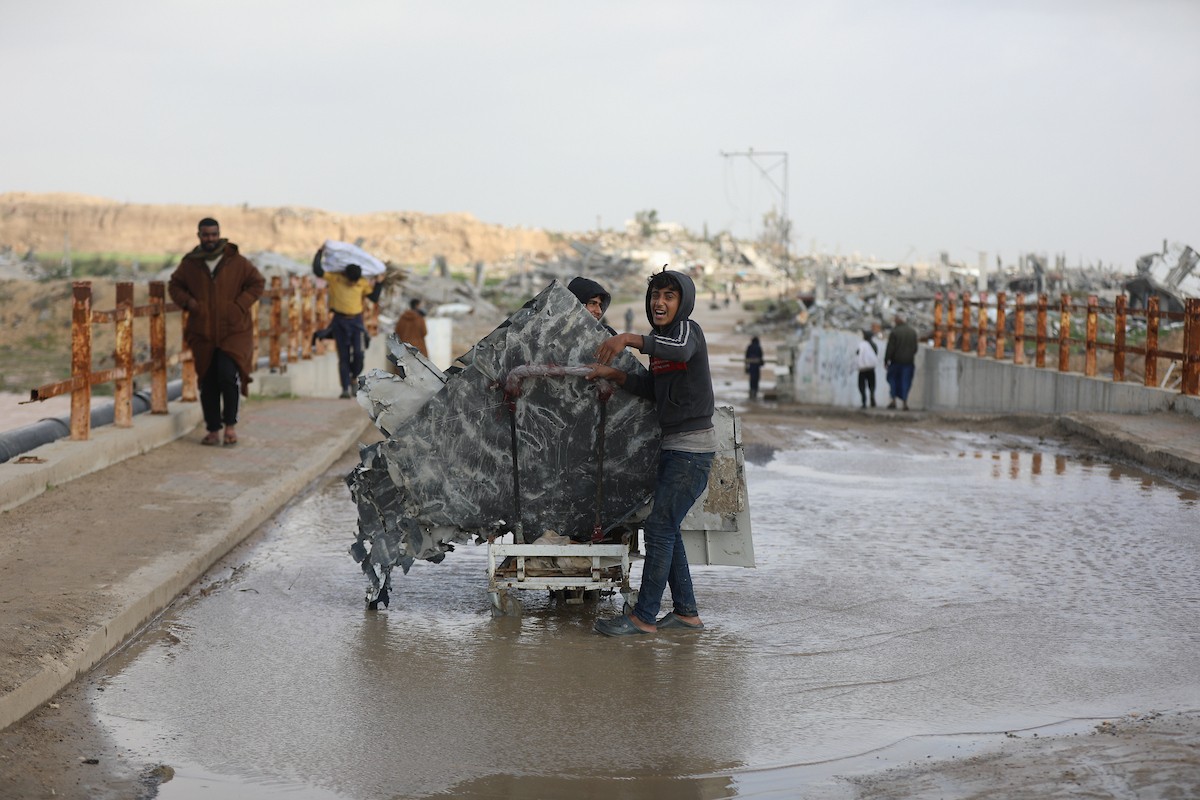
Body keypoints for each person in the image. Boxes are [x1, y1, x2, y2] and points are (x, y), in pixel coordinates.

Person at [587, 268, 715, 637]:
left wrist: (628, 338)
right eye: (655, 296)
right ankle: (686, 614)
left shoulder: (687, 332)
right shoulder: (660, 342)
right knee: (667, 529)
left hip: (691, 451)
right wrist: (613, 375)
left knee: (659, 528)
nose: (659, 303)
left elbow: (682, 350)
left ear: (683, 303)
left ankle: (644, 618)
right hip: (674, 447)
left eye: (669, 297)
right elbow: (652, 388)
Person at [168, 218, 265, 446]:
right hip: (203, 333)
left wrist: (238, 305)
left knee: (227, 376)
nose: (210, 239)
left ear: (219, 234)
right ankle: (213, 430)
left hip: (234, 331)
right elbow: (174, 285)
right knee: (208, 381)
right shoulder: (191, 263)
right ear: (199, 235)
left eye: (213, 234)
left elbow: (257, 283)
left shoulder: (237, 262)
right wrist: (191, 304)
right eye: (205, 235)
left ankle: (230, 426)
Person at [312, 249, 383, 398]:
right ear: (345, 275)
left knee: (359, 354)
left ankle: (353, 378)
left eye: (356, 281)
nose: (353, 283)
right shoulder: (335, 278)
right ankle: (345, 389)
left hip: (357, 322)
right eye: (351, 280)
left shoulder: (362, 282)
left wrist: (379, 283)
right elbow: (318, 270)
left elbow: (374, 298)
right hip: (339, 321)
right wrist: (319, 253)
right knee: (343, 357)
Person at [884, 314, 919, 410]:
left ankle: (893, 401)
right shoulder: (912, 332)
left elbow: (890, 348)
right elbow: (915, 349)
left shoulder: (895, 332)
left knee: (893, 380)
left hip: (895, 362)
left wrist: (886, 360)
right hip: (908, 362)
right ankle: (905, 402)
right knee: (906, 381)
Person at [855, 329, 879, 409]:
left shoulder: (862, 345)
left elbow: (858, 353)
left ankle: (864, 401)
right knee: (871, 385)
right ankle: (872, 396)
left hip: (862, 369)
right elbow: (875, 355)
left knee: (861, 386)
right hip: (871, 368)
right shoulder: (874, 345)